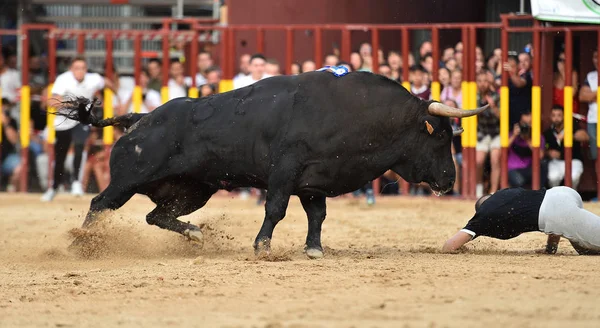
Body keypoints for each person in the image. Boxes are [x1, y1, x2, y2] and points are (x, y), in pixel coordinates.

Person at [442, 186, 600, 255]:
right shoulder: (504, 192)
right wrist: (551, 247)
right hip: (561, 192)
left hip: (558, 212)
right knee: (587, 250)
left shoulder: (483, 216)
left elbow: (449, 247)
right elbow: (551, 216)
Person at [41, 55, 116, 202]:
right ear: (71, 69)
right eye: (77, 68)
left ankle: (76, 182)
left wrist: (116, 95)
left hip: (81, 120)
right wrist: (74, 104)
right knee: (60, 156)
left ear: (86, 69)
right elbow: (51, 101)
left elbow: (106, 82)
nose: (80, 71)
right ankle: (54, 187)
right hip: (63, 121)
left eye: (82, 68)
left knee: (80, 145)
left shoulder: (93, 79)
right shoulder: (63, 79)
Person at [544, 105, 588, 189]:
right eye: (553, 115)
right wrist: (549, 153)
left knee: (573, 177)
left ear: (564, 116)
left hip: (573, 160)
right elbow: (543, 148)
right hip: (556, 161)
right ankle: (556, 197)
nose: (556, 118)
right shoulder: (548, 132)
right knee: (553, 177)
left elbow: (585, 137)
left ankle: (572, 194)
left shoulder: (572, 126)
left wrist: (569, 136)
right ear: (550, 117)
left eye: (559, 115)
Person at [508, 112, 547, 188]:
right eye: (523, 123)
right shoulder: (512, 135)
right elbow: (502, 152)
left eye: (528, 123)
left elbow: (540, 156)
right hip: (513, 169)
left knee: (544, 164)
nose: (525, 126)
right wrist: (514, 136)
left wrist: (528, 139)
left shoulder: (538, 137)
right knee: (519, 181)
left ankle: (538, 192)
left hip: (530, 169)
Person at [504, 53, 533, 127]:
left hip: (523, 116)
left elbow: (519, 83)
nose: (509, 68)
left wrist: (511, 72)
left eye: (512, 66)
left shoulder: (526, 75)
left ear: (517, 66)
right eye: (508, 66)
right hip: (509, 115)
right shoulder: (505, 77)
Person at [579, 50, 598, 160]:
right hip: (593, 120)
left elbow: (588, 96)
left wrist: (592, 94)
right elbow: (582, 96)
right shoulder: (591, 76)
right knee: (595, 155)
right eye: (595, 56)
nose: (597, 60)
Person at [1, 98, 22, 192]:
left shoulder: (11, 121)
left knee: (20, 166)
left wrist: (5, 124)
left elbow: (14, 140)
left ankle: (12, 190)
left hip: (6, 157)